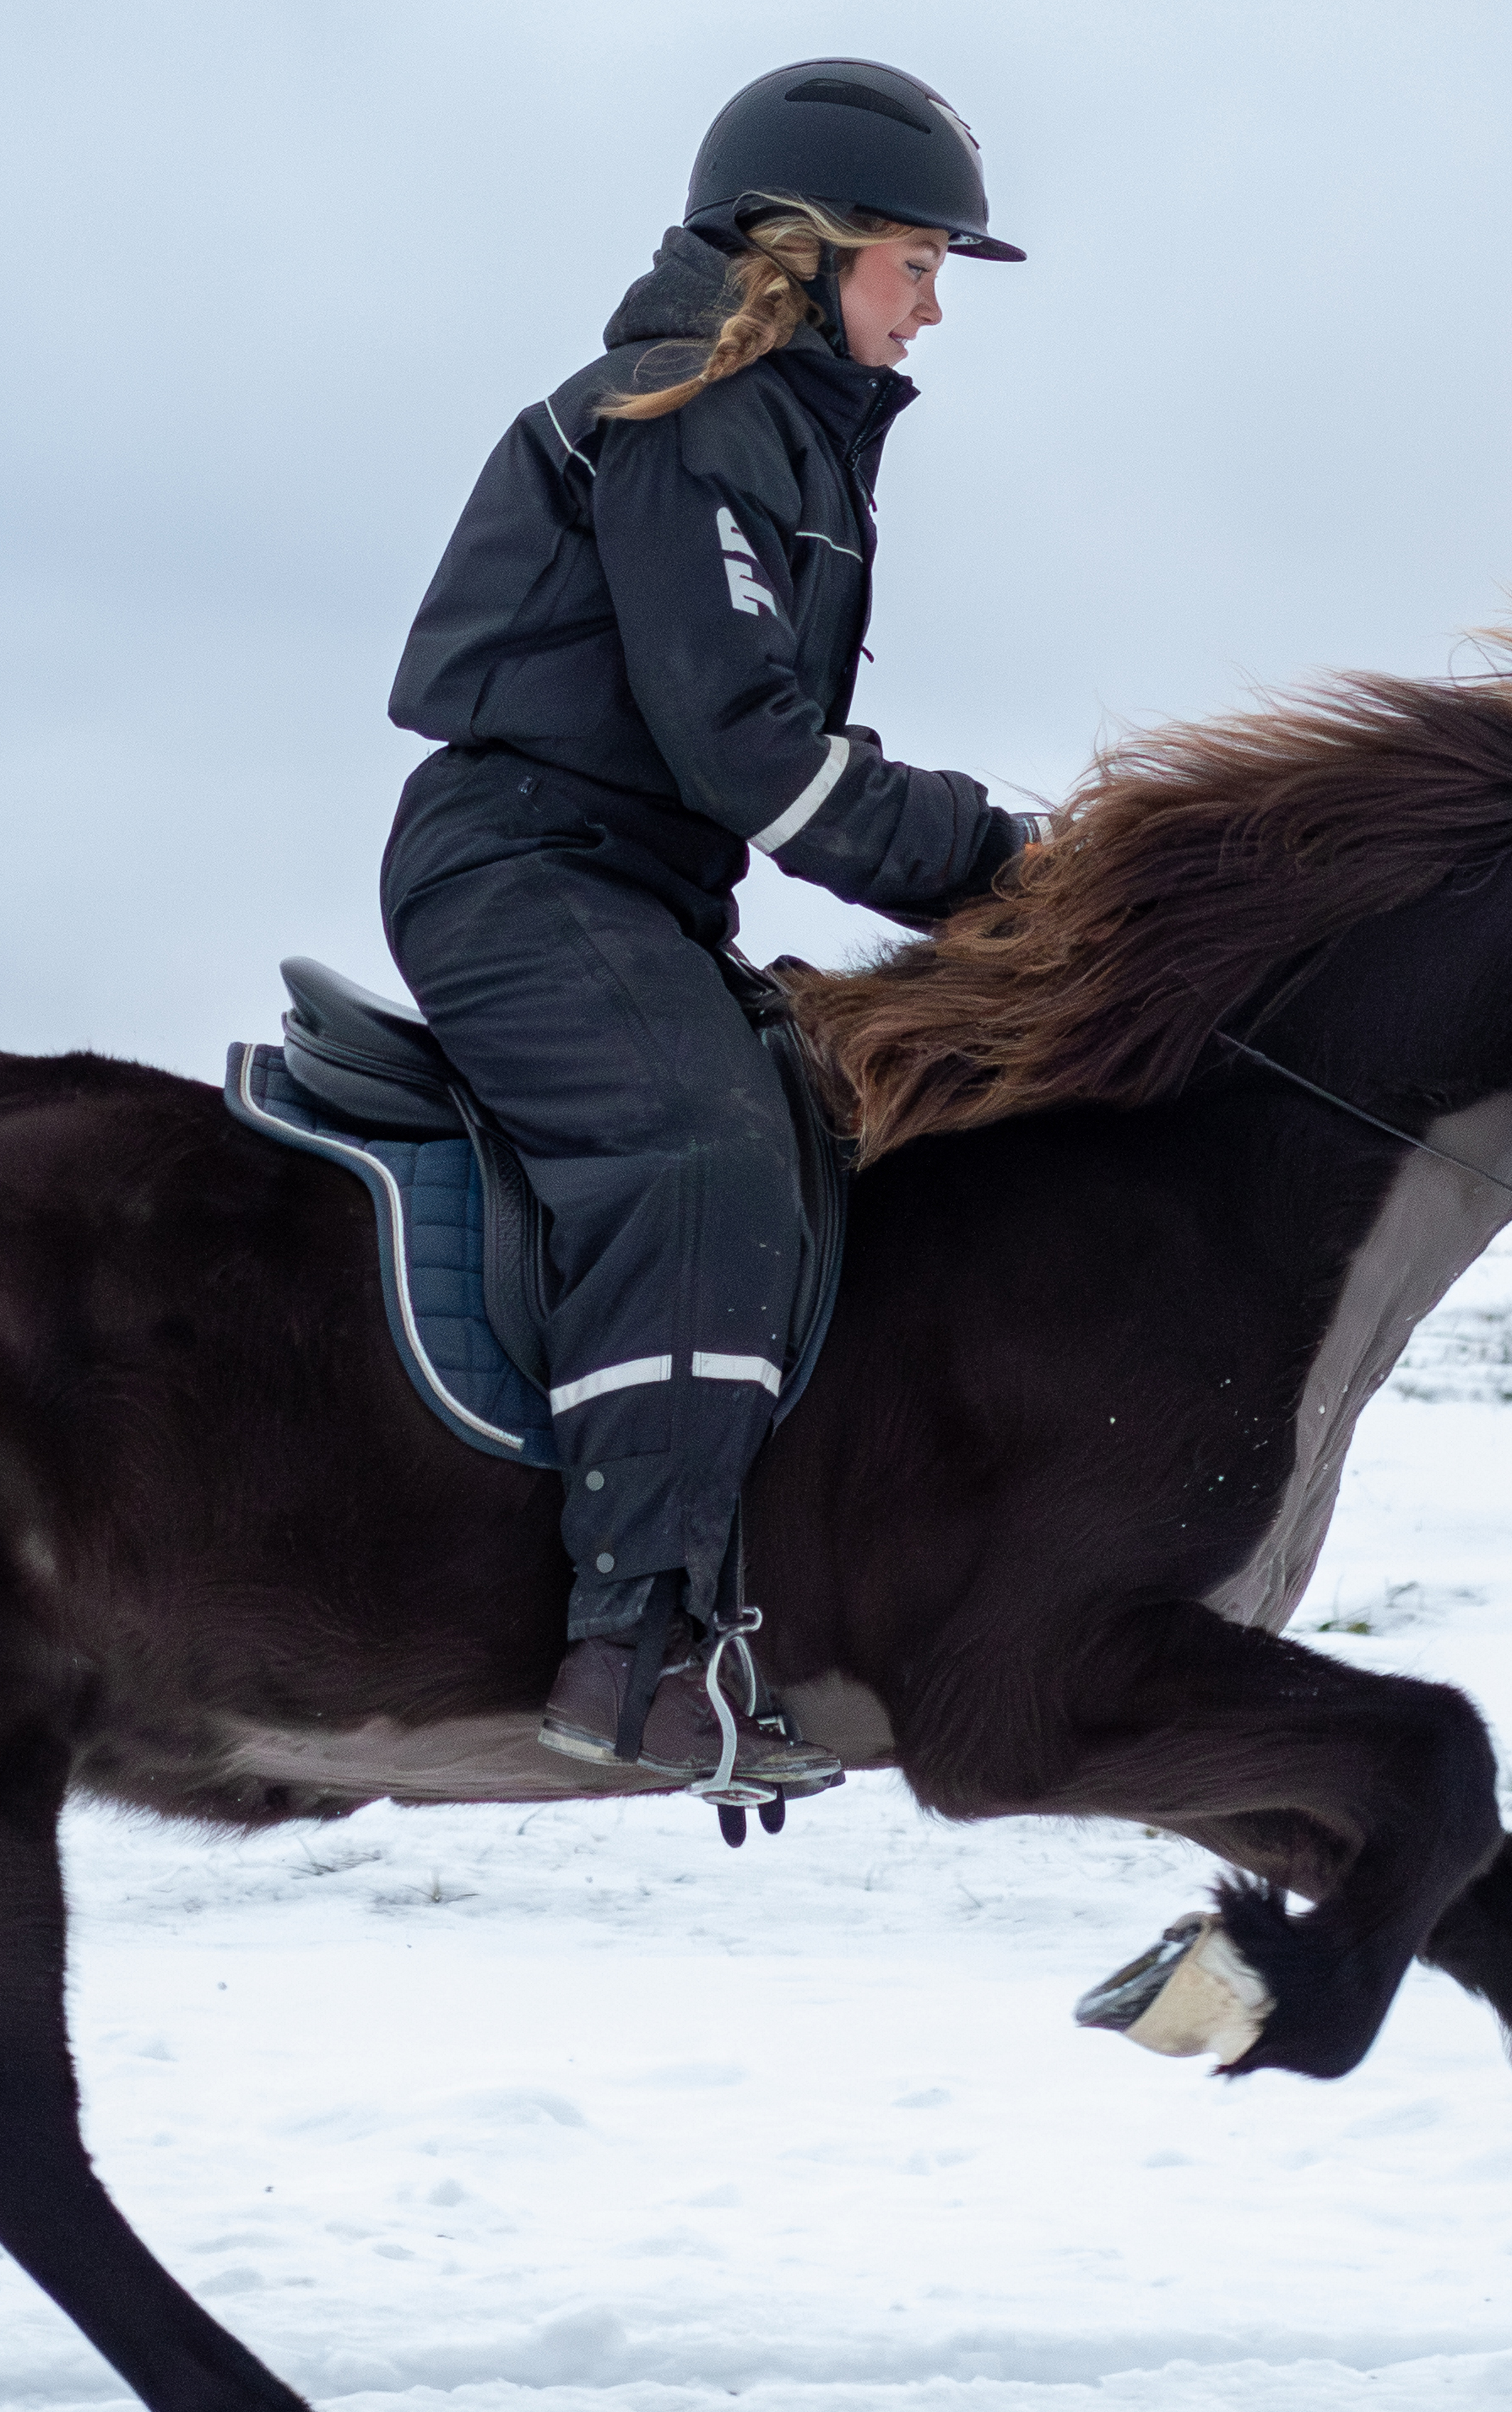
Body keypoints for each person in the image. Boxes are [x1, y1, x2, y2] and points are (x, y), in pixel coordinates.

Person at [378, 59, 1036, 1790]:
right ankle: (638, 1641)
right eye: (917, 262)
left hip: (634, 888)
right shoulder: (685, 416)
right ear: (808, 255)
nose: (936, 306)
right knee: (706, 1149)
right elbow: (756, 755)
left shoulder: (785, 434)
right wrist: (1006, 863)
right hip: (518, 872)